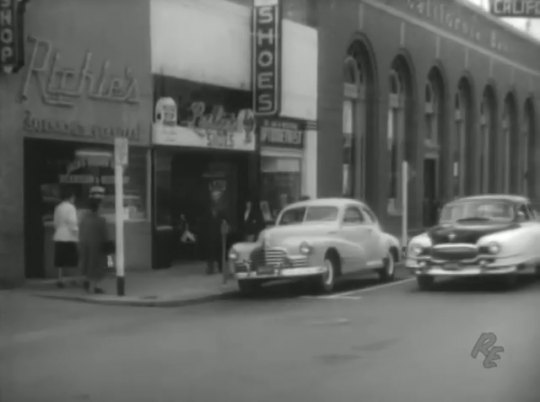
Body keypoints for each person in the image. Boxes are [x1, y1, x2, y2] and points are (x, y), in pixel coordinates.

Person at [79, 186, 109, 294]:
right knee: (96, 267)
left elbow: (81, 231)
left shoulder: (84, 219)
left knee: (88, 265)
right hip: (97, 247)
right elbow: (104, 234)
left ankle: (90, 284)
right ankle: (92, 288)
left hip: (85, 245)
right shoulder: (100, 220)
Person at [53, 188, 79, 288]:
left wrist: (58, 230)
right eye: (73, 197)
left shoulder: (58, 207)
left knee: (60, 260)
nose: (74, 199)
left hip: (59, 235)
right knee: (74, 259)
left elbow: (55, 222)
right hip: (69, 236)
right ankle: (75, 279)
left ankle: (60, 279)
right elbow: (72, 222)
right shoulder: (71, 207)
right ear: (70, 197)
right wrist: (76, 232)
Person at [202, 202, 228, 275]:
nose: (214, 209)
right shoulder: (207, 214)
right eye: (213, 207)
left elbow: (226, 222)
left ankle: (221, 268)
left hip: (219, 236)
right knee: (210, 254)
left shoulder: (222, 214)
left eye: (215, 207)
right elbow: (204, 225)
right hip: (210, 236)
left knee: (220, 253)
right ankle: (210, 268)